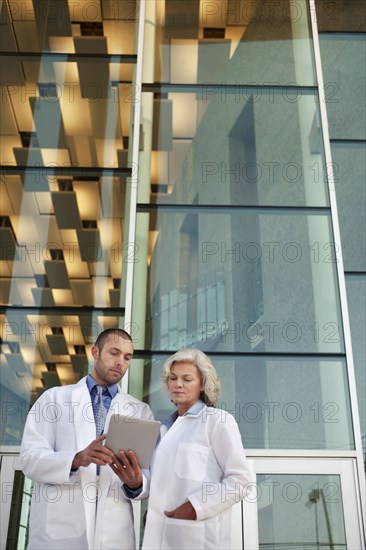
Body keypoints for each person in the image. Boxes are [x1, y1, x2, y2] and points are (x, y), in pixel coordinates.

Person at [19, 328, 154, 550]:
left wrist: (136, 483)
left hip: (114, 536)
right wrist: (76, 459)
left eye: (127, 357)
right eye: (114, 353)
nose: (121, 362)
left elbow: (148, 478)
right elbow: (30, 459)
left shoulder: (140, 411)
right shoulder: (54, 399)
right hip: (60, 530)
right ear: (95, 352)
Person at [112, 348, 255, 550]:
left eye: (187, 379)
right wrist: (136, 483)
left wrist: (195, 506)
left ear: (203, 384)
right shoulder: (162, 430)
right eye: (172, 378)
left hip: (197, 538)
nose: (178, 384)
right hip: (158, 537)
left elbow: (241, 481)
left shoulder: (217, 421)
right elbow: (156, 484)